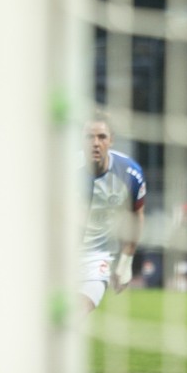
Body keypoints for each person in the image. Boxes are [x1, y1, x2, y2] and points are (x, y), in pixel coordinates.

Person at [80, 112, 146, 313]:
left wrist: (126, 262)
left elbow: (137, 216)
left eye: (102, 137)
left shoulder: (130, 174)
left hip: (96, 260)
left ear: (112, 140)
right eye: (90, 137)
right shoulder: (64, 169)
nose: (95, 143)